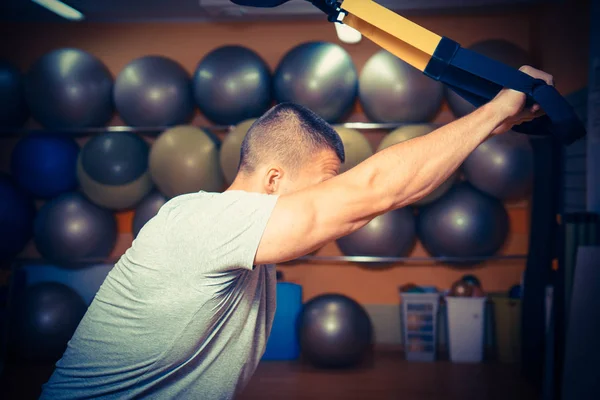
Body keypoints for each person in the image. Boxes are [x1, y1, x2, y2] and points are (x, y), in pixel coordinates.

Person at [40, 65, 552, 399]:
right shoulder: (198, 219)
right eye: (321, 187)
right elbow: (374, 193)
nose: (328, 206)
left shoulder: (245, 249)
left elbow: (390, 194)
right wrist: (495, 111)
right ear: (273, 179)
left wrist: (489, 127)